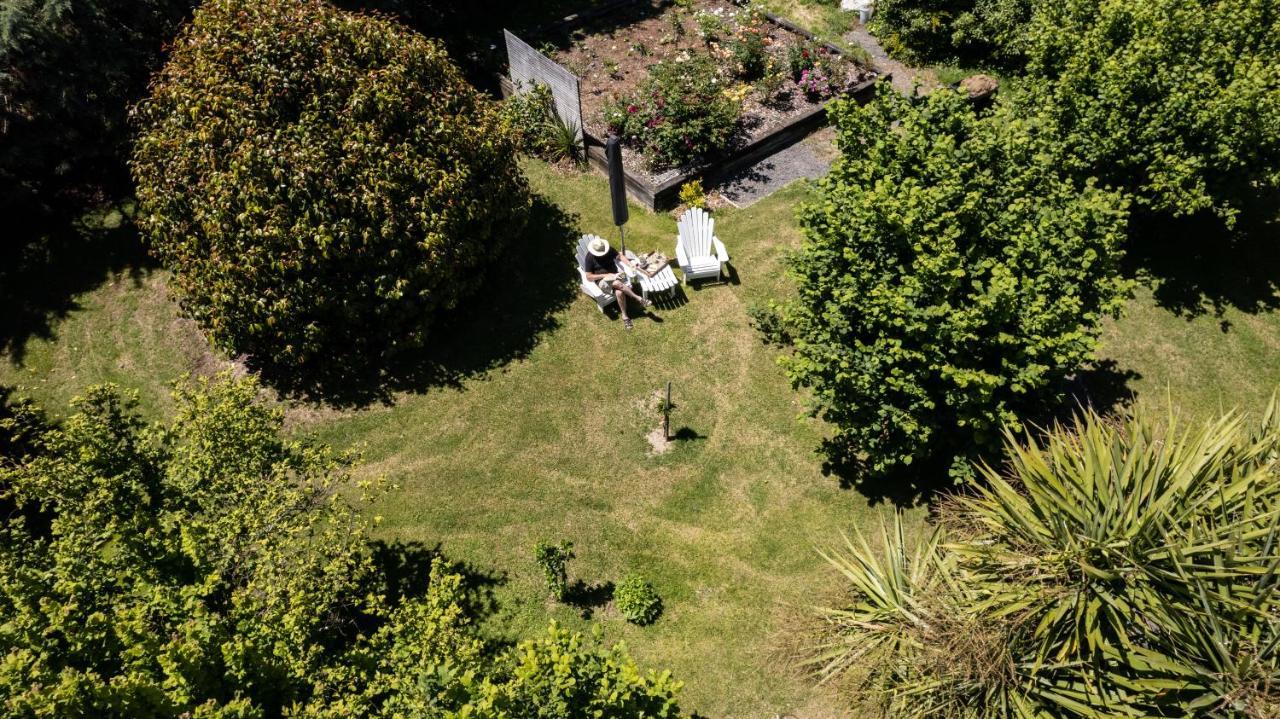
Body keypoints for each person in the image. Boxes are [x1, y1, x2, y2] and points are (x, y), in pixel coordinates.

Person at [583, 236, 652, 329]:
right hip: (602, 281)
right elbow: (589, 277)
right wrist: (606, 275)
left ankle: (625, 316)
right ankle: (639, 299)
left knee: (619, 292)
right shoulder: (590, 257)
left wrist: (630, 264)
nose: (603, 254)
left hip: (616, 276)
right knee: (616, 283)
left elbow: (620, 256)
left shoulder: (608, 249)